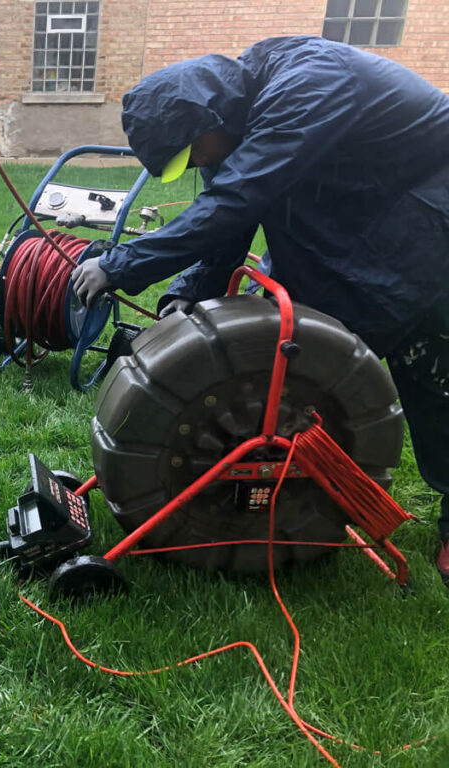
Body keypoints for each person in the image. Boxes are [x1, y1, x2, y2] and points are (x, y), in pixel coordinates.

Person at [71, 35, 449, 583]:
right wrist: (192, 288)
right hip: (353, 208)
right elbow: (231, 205)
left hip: (427, 205)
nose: (200, 162)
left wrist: (121, 264)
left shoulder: (308, 83)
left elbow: (240, 198)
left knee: (426, 353)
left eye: (195, 151)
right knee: (281, 326)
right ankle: (285, 473)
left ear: (210, 114)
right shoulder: (234, 114)